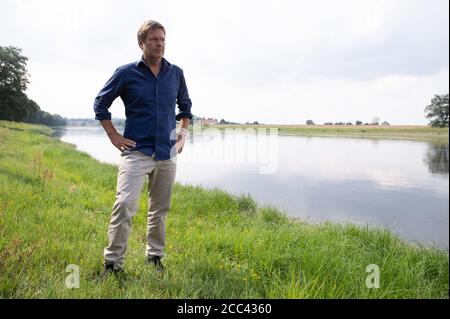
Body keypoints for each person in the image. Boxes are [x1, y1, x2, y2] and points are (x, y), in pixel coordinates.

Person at [93, 20, 192, 275]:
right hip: (136, 152)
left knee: (160, 209)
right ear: (141, 43)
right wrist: (113, 135)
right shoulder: (126, 73)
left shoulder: (176, 73)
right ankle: (113, 264)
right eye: (153, 39)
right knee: (124, 203)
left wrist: (182, 135)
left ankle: (154, 258)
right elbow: (100, 104)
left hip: (167, 153)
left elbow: (186, 108)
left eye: (162, 39)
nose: (159, 44)